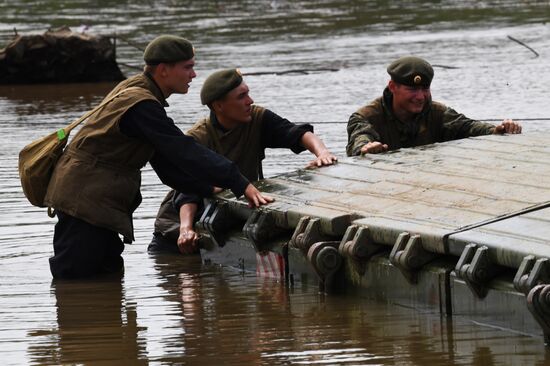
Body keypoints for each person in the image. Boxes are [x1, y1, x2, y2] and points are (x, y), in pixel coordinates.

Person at [44, 36, 272, 279]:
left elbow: (165, 165)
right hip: (84, 201)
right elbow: (183, 150)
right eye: (187, 67)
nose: (193, 75)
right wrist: (239, 181)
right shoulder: (141, 103)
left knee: (105, 279)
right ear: (163, 70)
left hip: (95, 202)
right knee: (78, 280)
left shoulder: (138, 91)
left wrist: (206, 187)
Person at [149, 68, 338, 255]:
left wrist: (322, 153)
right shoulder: (199, 137)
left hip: (220, 217)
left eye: (248, 94)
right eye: (241, 97)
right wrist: (186, 229)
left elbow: (297, 134)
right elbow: (188, 191)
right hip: (175, 229)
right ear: (218, 106)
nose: (250, 101)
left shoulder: (256, 118)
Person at [346, 56, 522, 156]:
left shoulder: (437, 112)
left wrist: (497, 130)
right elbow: (360, 137)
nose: (420, 96)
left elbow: (467, 126)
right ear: (393, 87)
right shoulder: (366, 116)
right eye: (412, 90)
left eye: (425, 88)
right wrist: (366, 148)